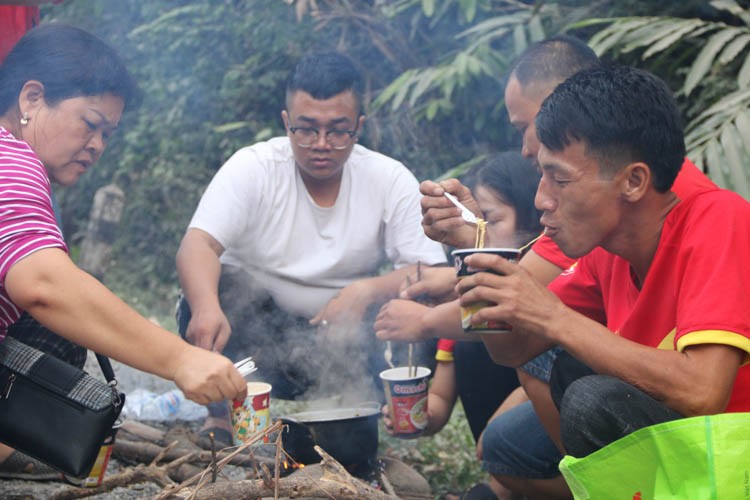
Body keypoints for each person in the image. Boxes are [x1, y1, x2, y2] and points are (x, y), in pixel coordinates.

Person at [377, 35, 719, 499]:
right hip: (640, 399)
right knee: (506, 433)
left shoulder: (708, 216)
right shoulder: (603, 232)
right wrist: (471, 242)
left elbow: (703, 390)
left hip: (716, 445)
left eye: (526, 127)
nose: (538, 190)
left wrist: (544, 316)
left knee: (580, 389)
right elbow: (510, 325)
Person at [456, 65, 750, 498]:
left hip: (732, 462)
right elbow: (513, 349)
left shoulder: (720, 218)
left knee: (592, 400)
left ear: (633, 181)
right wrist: (475, 256)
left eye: (559, 178)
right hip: (686, 456)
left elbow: (702, 390)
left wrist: (554, 318)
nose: (541, 199)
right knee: (564, 376)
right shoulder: (604, 250)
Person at [0, 24, 246, 475]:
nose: (96, 145)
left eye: (107, 134)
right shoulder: (11, 162)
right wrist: (182, 359)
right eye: (90, 124)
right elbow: (43, 285)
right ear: (31, 98)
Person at [175, 50, 447, 446]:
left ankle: (367, 425)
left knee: (417, 305)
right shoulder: (253, 167)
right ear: (286, 123)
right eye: (306, 129)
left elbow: (434, 274)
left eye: (338, 131)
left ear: (359, 126)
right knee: (215, 289)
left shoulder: (387, 178)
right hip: (259, 343)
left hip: (343, 340)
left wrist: (366, 290)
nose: (321, 144)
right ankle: (221, 419)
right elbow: (196, 244)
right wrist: (204, 308)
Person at [380, 151, 541, 499]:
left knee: (485, 329)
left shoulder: (548, 287)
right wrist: (415, 413)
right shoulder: (468, 294)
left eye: (493, 222)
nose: (480, 238)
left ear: (532, 224)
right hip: (496, 453)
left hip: (544, 448)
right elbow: (440, 397)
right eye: (476, 226)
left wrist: (423, 321)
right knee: (470, 342)